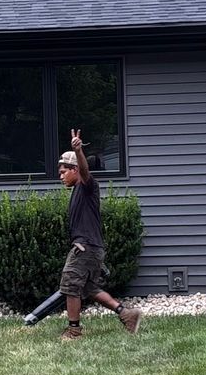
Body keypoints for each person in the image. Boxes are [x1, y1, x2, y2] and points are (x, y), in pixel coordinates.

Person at [57, 127, 142, 341]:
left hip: (85, 247)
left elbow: (85, 172)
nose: (61, 176)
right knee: (89, 287)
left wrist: (78, 152)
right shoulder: (77, 191)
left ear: (74, 170)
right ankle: (127, 314)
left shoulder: (87, 185)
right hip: (91, 247)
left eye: (63, 171)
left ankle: (74, 330)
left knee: (70, 283)